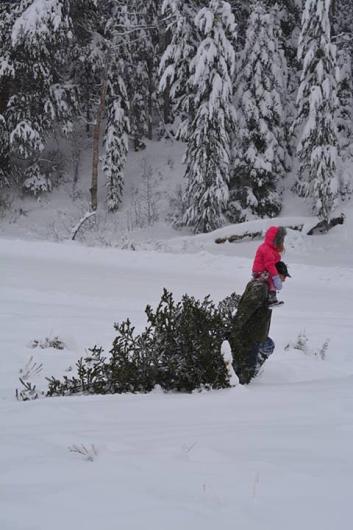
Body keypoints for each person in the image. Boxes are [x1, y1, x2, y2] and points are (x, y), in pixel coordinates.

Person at [229, 261, 291, 384]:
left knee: (269, 346)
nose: (284, 281)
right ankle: (240, 387)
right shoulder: (260, 287)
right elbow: (246, 309)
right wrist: (235, 329)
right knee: (246, 371)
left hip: (256, 334)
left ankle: (249, 374)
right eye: (283, 277)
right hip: (250, 335)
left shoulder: (267, 287)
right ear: (275, 274)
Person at [252, 226, 287, 306]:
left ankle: (271, 297)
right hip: (260, 271)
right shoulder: (266, 249)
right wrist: (276, 277)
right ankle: (271, 298)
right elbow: (270, 265)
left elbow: (274, 263)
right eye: (281, 241)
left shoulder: (271, 249)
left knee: (271, 278)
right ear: (275, 240)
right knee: (271, 280)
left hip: (264, 270)